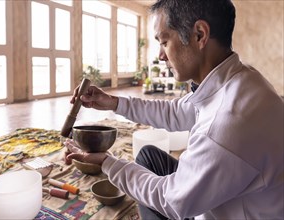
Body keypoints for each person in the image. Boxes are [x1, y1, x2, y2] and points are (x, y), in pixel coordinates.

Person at [64, 0, 284, 219]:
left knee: (150, 190)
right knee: (148, 157)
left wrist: (107, 162)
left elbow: (170, 201)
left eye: (164, 41)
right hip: (231, 196)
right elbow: (175, 111)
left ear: (199, 34)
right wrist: (112, 102)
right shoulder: (241, 78)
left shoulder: (225, 126)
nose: (161, 55)